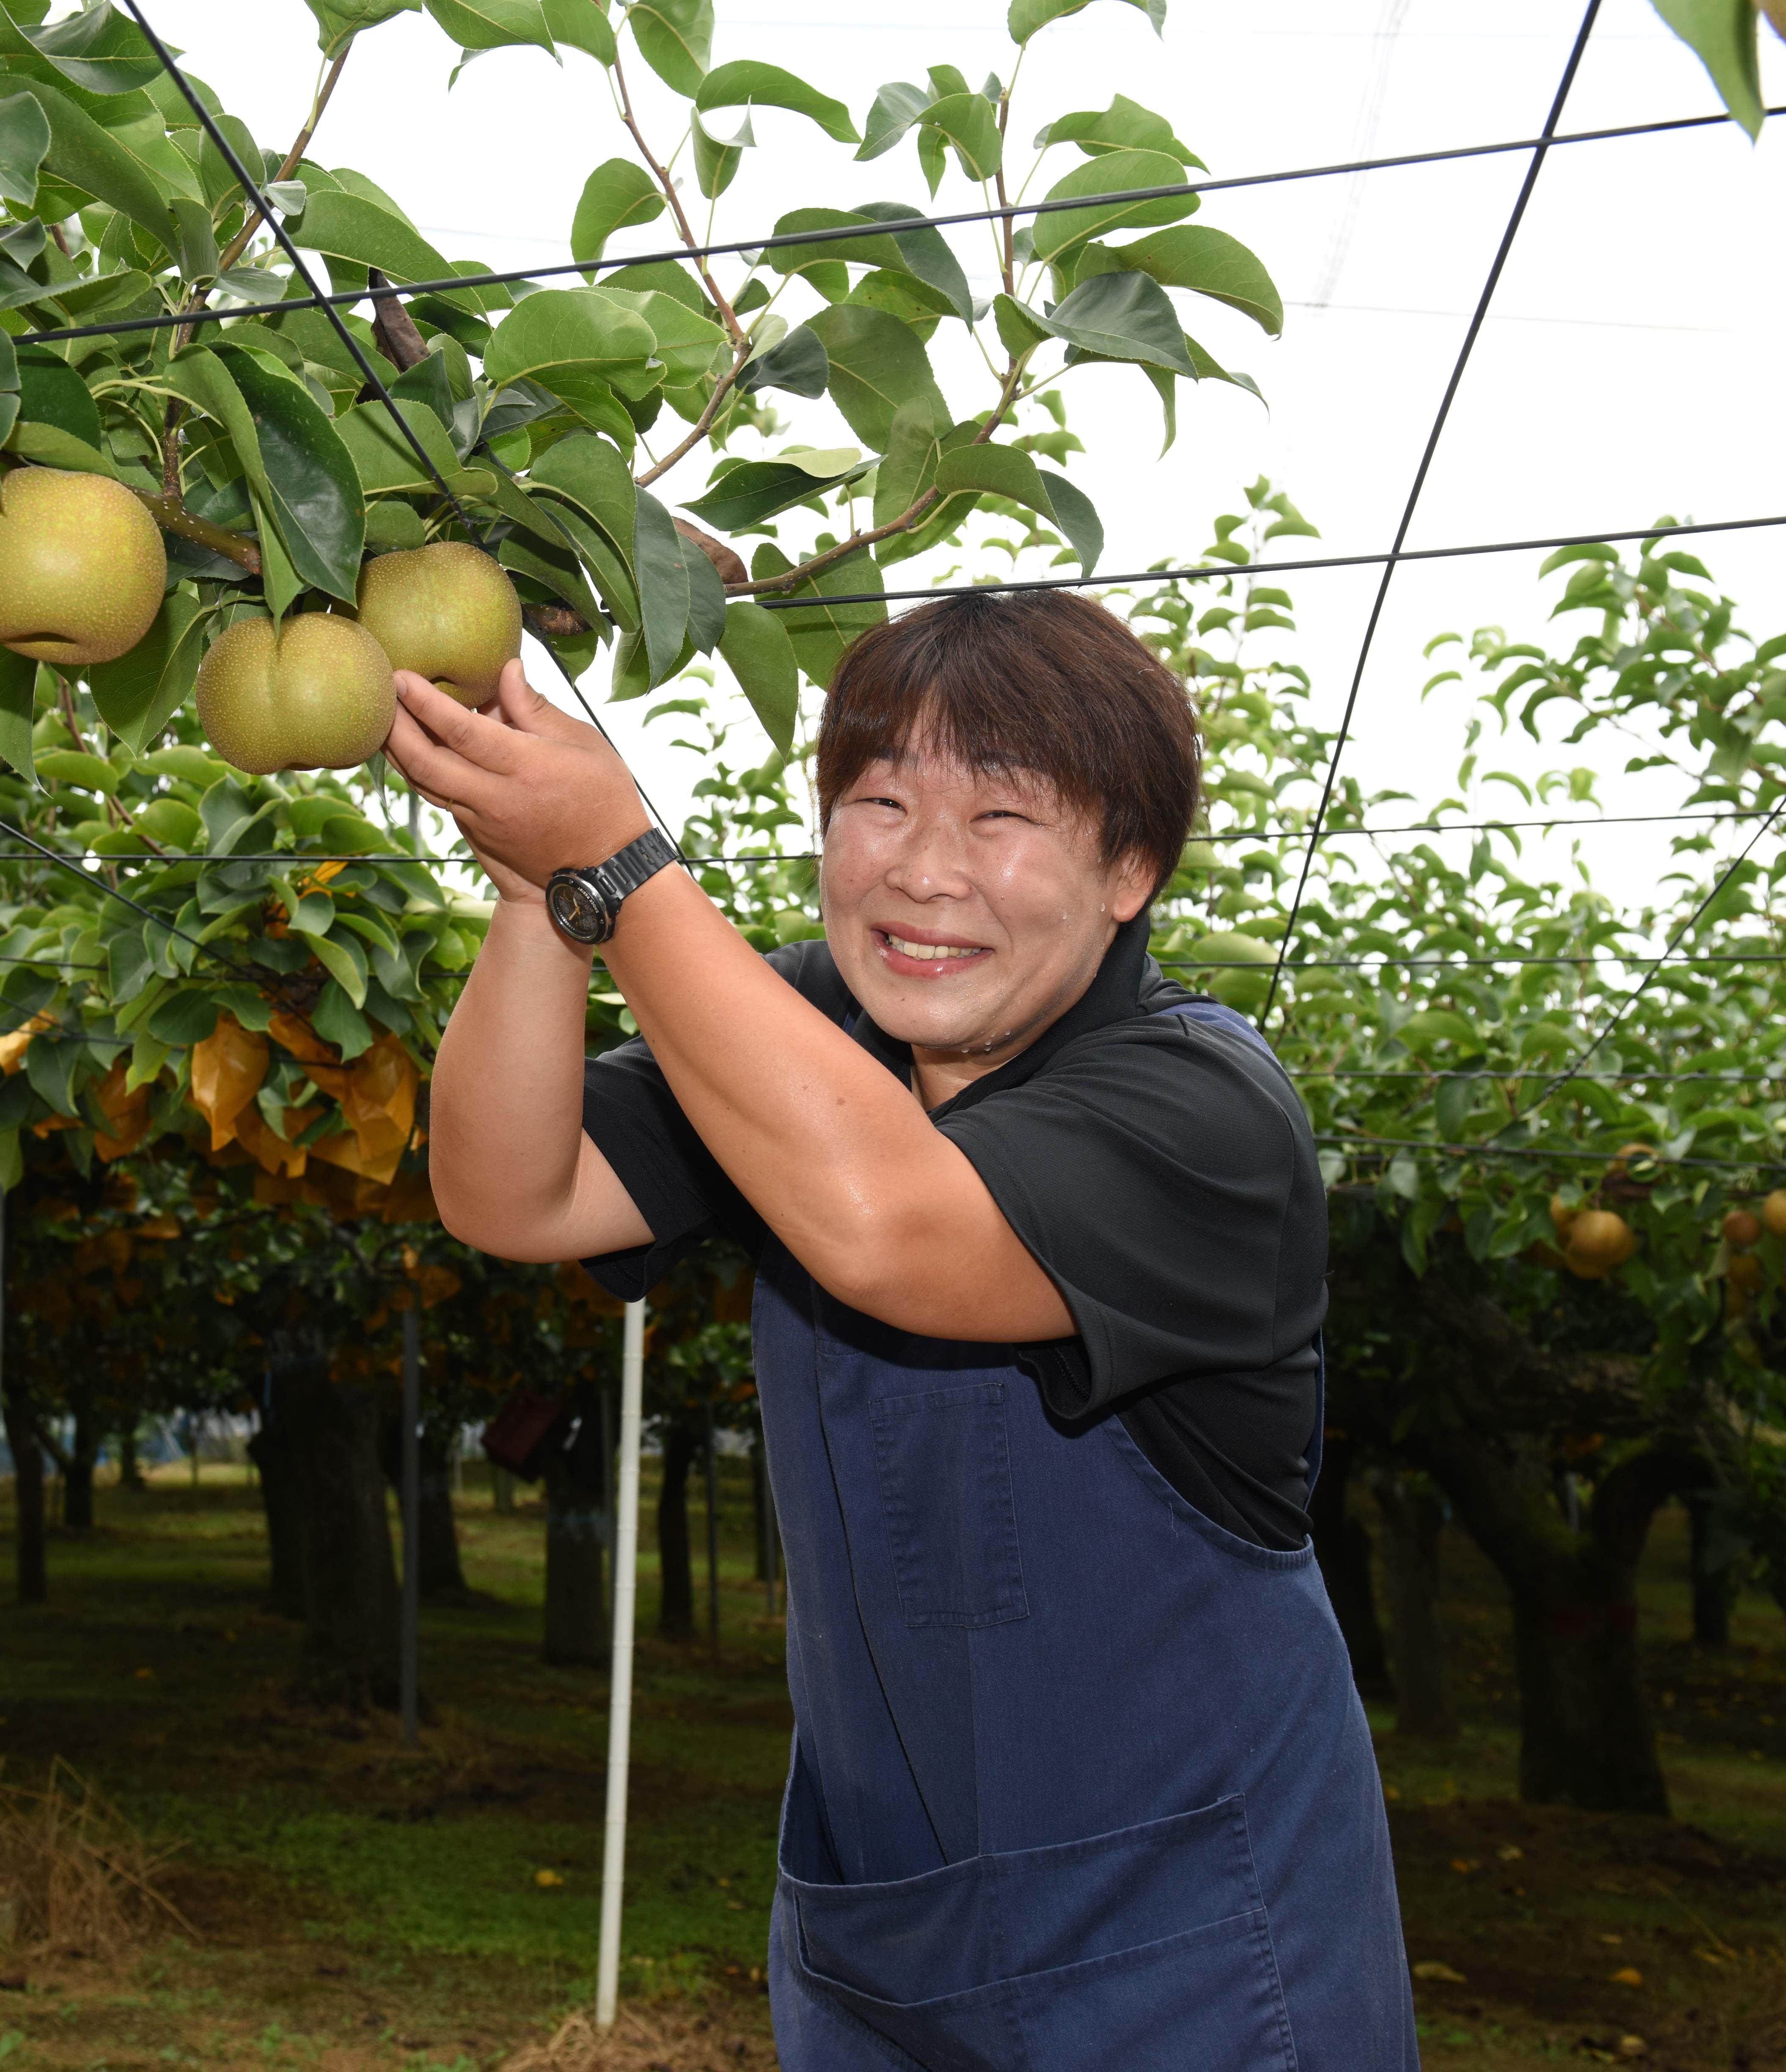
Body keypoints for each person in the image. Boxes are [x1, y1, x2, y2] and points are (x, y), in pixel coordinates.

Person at [387, 588, 1413, 2070]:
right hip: (890, 1945)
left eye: (1003, 817)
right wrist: (542, 903)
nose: (926, 871)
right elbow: (508, 1191)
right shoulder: (820, 1038)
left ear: (1131, 869)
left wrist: (621, 860)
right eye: (878, 803)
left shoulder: (1200, 1109)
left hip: (1193, 1956)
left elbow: (888, 1224)